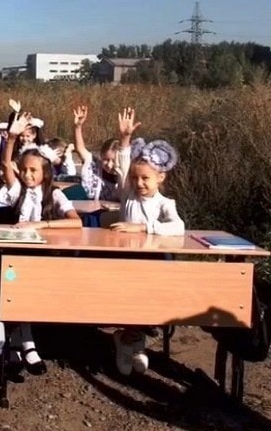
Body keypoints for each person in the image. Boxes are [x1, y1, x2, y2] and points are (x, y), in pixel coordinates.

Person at [0, 111, 82, 375]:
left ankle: (20, 342)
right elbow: (5, 165)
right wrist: (11, 139)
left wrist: (42, 225)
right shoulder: (18, 191)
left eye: (33, 170)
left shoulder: (54, 195)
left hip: (43, 257)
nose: (27, 175)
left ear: (45, 172)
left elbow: (76, 222)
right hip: (15, 257)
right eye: (24, 170)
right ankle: (27, 345)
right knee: (13, 291)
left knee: (28, 294)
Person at [109, 107, 185, 376]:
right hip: (126, 261)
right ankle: (131, 342)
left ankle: (130, 341)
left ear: (160, 177)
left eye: (145, 178)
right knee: (130, 300)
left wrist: (144, 227)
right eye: (136, 178)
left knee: (147, 300)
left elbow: (178, 228)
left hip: (152, 263)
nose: (139, 183)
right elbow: (123, 166)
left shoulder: (165, 203)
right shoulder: (128, 194)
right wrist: (125, 140)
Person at [73, 105, 121, 201]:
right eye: (106, 160)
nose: (109, 165)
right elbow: (80, 148)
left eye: (113, 160)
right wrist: (78, 127)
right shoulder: (96, 167)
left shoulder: (126, 176)